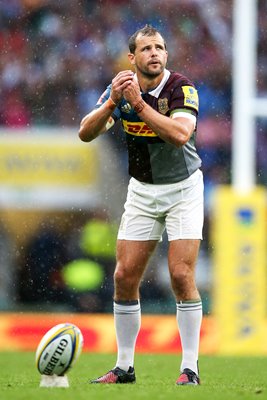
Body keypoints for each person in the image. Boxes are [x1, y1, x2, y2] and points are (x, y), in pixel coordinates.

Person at [79, 25, 203, 386]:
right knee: (123, 276)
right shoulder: (120, 87)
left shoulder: (181, 87)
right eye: (147, 48)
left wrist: (137, 105)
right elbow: (85, 132)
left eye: (160, 48)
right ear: (132, 58)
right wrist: (112, 104)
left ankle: (191, 367)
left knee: (181, 275)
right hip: (143, 190)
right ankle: (124, 366)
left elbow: (180, 135)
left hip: (183, 189)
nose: (155, 53)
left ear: (166, 55)